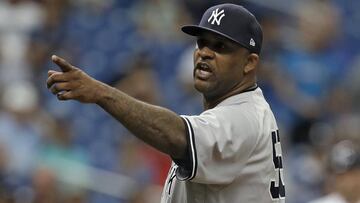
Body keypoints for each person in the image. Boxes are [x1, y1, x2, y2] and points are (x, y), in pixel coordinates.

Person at [46, 3, 285, 203]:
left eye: (221, 47)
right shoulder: (243, 109)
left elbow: (178, 137)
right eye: (202, 43)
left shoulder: (243, 116)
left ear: (250, 63)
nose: (205, 53)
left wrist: (102, 93)